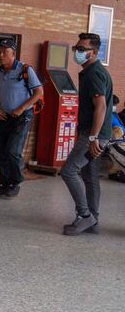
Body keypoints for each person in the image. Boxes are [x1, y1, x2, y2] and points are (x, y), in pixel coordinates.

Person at [59, 33, 113, 236]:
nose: (77, 52)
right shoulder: (91, 71)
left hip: (93, 135)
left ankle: (84, 215)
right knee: (89, 176)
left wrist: (93, 138)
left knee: (69, 171)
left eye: (82, 49)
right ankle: (93, 220)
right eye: (76, 48)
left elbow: (101, 106)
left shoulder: (95, 74)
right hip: (93, 132)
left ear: (94, 52)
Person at [0, 38, 43, 198]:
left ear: (13, 53)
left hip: (22, 116)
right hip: (3, 116)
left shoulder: (25, 70)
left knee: (13, 151)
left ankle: (16, 182)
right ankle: (5, 184)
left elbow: (38, 93)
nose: (1, 55)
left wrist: (21, 108)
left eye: (5, 52)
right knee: (1, 152)